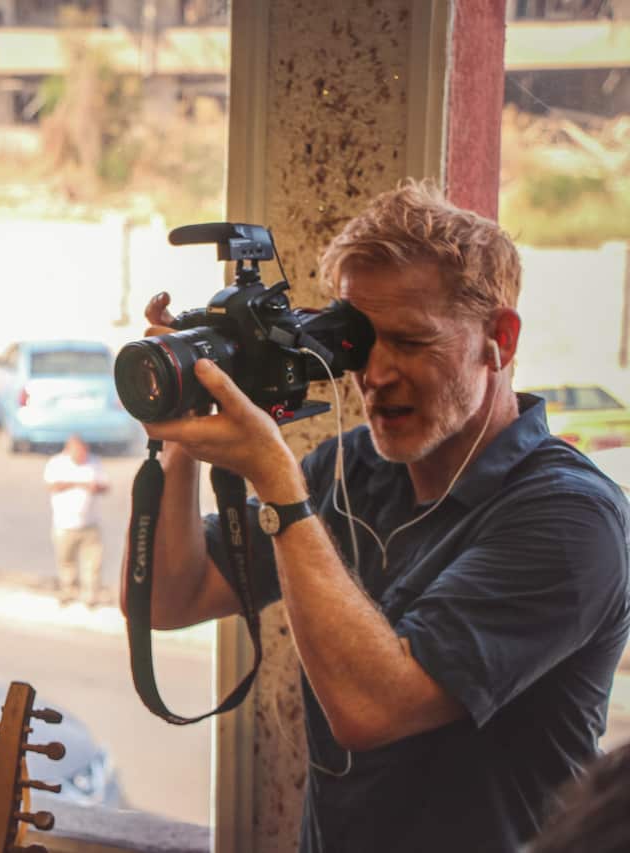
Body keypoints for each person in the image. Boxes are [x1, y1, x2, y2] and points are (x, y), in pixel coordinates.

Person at [126, 181, 630, 852]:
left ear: (499, 341)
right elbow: (169, 595)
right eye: (360, 342)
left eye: (412, 342)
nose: (377, 373)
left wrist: (278, 483)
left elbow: (374, 708)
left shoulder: (571, 522)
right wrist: (185, 427)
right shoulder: (352, 470)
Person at [44, 435, 110, 607]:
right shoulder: (57, 464)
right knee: (66, 560)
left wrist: (96, 487)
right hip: (65, 524)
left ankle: (90, 594)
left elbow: (105, 485)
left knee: (93, 562)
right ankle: (69, 591)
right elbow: (53, 486)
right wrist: (80, 484)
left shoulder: (93, 462)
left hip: (90, 522)